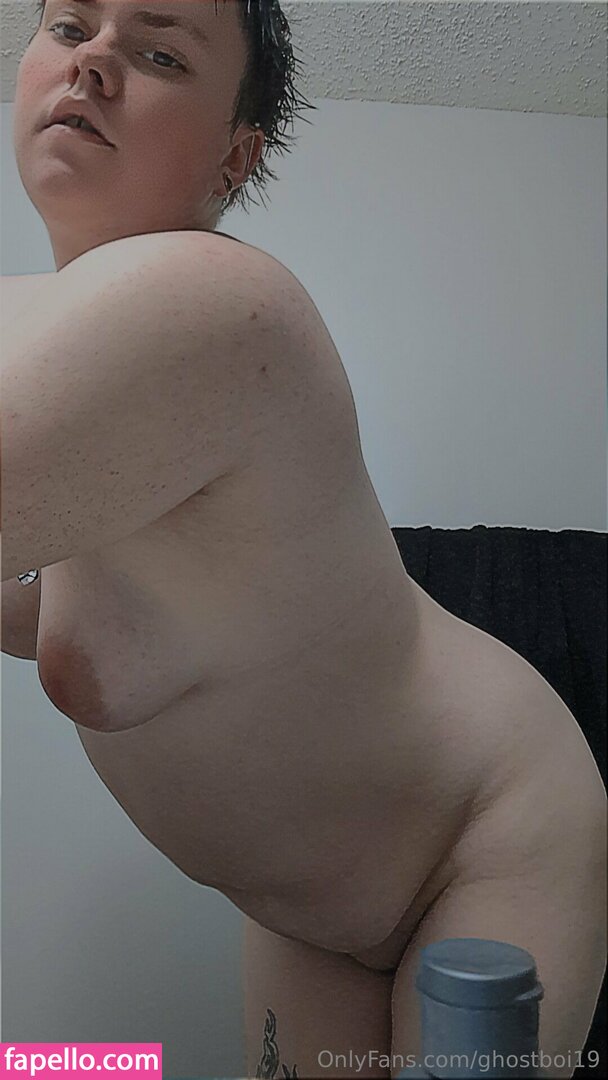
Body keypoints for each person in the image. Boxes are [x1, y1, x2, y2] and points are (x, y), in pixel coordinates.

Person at [1, 2, 605, 1076]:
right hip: (308, 907)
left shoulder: (218, 301)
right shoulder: (55, 343)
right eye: (67, 24)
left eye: (157, 51)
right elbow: (86, 613)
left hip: (482, 835)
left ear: (236, 156)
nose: (91, 60)